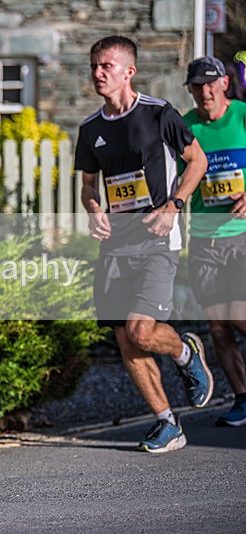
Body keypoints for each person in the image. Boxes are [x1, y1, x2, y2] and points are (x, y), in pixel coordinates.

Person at [75, 36, 212, 453]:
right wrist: (94, 209)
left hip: (158, 239)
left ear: (128, 71)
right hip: (116, 247)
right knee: (125, 338)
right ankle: (166, 422)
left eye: (107, 66)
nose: (98, 73)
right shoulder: (91, 130)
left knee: (142, 329)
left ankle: (186, 352)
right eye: (95, 66)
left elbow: (198, 161)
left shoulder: (158, 115)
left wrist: (175, 205)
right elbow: (87, 186)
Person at [182, 56, 246, 427]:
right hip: (204, 241)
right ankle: (242, 398)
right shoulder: (185, 126)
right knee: (218, 327)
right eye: (196, 86)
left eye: (210, 84)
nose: (204, 92)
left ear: (224, 83)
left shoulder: (241, 116)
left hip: (241, 237)